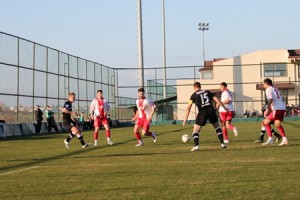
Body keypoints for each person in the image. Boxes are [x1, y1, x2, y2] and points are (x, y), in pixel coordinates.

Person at [182, 82, 228, 151]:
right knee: (217, 126)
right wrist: (224, 107)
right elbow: (216, 99)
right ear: (200, 86)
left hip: (202, 112)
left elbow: (188, 107)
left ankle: (196, 146)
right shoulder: (207, 92)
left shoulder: (193, 95)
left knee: (195, 131)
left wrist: (185, 119)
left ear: (194, 88)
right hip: (211, 110)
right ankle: (222, 143)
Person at [262, 78, 288, 146]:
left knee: (265, 122)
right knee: (277, 123)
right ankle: (284, 139)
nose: (263, 85)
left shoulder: (268, 89)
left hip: (277, 108)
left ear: (266, 84)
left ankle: (270, 138)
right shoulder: (275, 88)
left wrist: (267, 109)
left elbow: (270, 99)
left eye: (263, 83)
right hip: (282, 107)